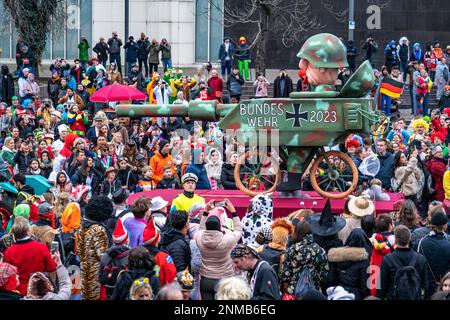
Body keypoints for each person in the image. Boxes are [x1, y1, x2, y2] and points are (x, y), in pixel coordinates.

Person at [196, 199, 242, 300]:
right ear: (219, 227)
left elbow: (200, 229)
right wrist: (233, 211)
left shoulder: (199, 238)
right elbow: (238, 229)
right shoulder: (227, 240)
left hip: (206, 279)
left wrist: (206, 211)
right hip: (224, 279)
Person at [2, 217, 57, 296]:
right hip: (38, 289)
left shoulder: (9, 252)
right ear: (28, 232)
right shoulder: (41, 247)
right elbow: (52, 267)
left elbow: (6, 276)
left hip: (18, 291)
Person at [376, 225, 428, 300]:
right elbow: (425, 285)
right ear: (409, 239)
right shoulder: (420, 259)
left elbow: (381, 287)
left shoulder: (387, 259)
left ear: (395, 239)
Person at [77, 196, 111, 300]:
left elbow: (78, 249)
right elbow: (103, 256)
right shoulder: (99, 229)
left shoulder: (83, 225)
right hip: (96, 273)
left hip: (84, 270)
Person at [327, 229, 370, 300]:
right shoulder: (364, 260)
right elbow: (364, 286)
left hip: (338, 292)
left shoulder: (337, 256)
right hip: (355, 295)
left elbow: (331, 278)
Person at [417, 212, 450, 298]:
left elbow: (419, 266)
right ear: (444, 226)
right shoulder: (448, 243)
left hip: (427, 288)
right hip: (446, 289)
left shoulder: (422, 242)